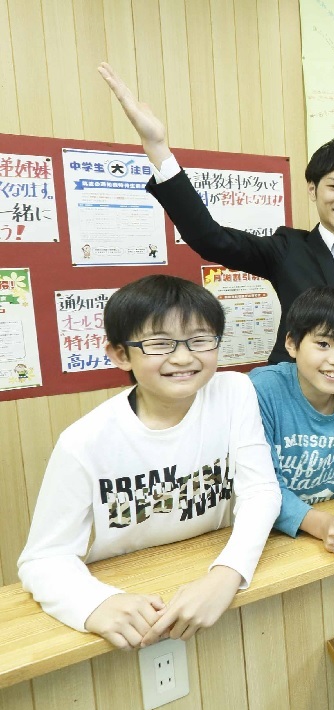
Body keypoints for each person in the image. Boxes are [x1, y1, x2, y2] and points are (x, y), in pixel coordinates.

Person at [98, 63, 334, 384]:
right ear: (312, 190)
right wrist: (158, 149)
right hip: (295, 393)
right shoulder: (288, 249)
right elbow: (210, 239)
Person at [18, 275, 281, 649]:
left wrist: (228, 573)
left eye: (200, 339)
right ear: (120, 354)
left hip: (213, 571)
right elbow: (43, 557)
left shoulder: (234, 392)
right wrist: (96, 603)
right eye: (160, 343)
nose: (184, 357)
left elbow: (260, 491)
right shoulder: (84, 442)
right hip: (135, 594)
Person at [249, 287, 334, 558]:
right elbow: (261, 486)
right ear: (292, 344)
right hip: (272, 539)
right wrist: (322, 525)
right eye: (323, 344)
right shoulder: (261, 390)